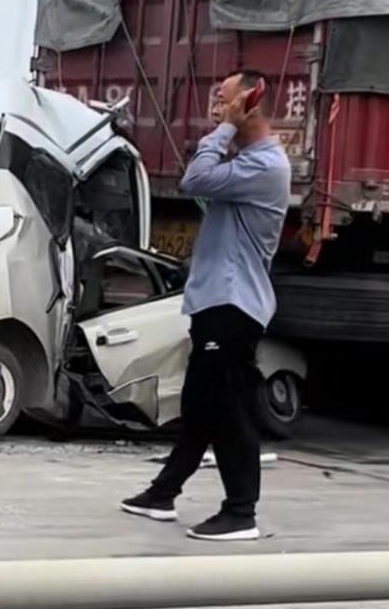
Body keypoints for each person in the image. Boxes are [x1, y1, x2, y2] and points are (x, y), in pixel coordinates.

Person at [120, 70, 290, 542]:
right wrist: (228, 130)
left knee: (231, 409)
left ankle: (241, 512)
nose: (216, 109)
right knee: (200, 405)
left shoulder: (266, 166)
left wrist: (227, 127)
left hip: (234, 306)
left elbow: (194, 178)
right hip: (216, 301)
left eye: (224, 100)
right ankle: (163, 493)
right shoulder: (247, 160)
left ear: (250, 104)